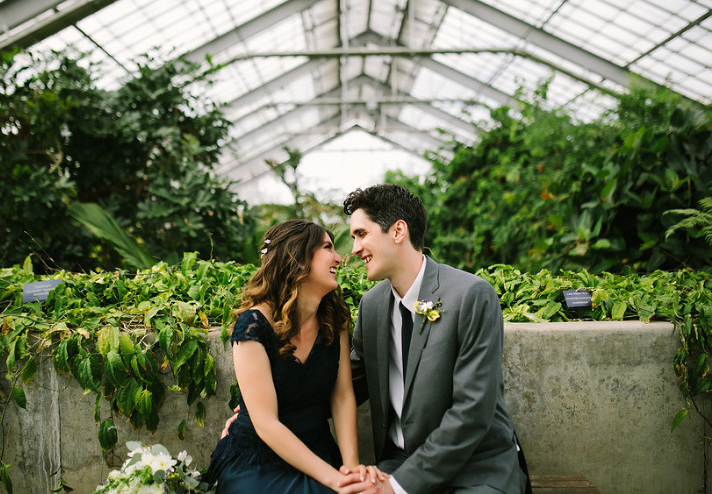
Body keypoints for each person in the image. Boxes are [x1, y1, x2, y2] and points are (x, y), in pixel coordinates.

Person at [339, 184, 527, 494]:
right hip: (398, 462)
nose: (355, 249)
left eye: (361, 234)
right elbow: (345, 383)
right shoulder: (371, 306)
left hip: (475, 469)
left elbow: (472, 411)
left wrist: (398, 487)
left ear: (398, 230)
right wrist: (260, 412)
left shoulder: (471, 295)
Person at [205, 220, 384, 493]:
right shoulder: (253, 326)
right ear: (298, 259)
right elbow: (266, 423)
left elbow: (343, 395)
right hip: (258, 460)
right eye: (328, 247)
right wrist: (336, 480)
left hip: (318, 449)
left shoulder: (334, 320)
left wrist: (351, 470)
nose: (339, 257)